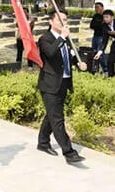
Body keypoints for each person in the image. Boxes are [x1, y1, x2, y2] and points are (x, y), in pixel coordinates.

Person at [37, 9, 87, 164]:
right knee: (58, 119)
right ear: (51, 21)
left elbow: (68, 57)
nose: (63, 22)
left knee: (51, 115)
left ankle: (43, 142)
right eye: (59, 19)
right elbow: (51, 53)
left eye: (65, 19)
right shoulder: (45, 39)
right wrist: (62, 37)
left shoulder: (66, 40)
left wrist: (79, 63)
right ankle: (69, 153)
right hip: (49, 85)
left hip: (63, 83)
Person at [95, 9, 114, 76]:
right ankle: (111, 77)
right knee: (110, 61)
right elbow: (104, 40)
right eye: (104, 17)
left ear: (112, 17)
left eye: (107, 17)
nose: (105, 19)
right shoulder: (104, 26)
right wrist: (100, 52)